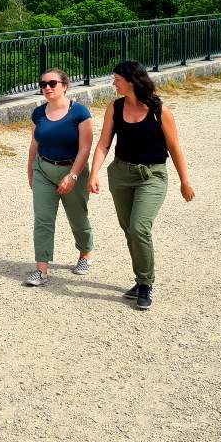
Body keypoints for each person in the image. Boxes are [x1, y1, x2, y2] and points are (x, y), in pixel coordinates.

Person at [88, 60, 195, 310]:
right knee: (129, 231)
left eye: (116, 78)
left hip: (152, 176)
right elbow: (104, 144)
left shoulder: (160, 111)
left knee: (139, 228)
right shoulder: (114, 107)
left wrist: (184, 181)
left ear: (131, 80)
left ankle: (146, 283)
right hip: (121, 175)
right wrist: (94, 174)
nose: (113, 82)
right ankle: (140, 280)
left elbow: (174, 147)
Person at [24, 68, 94, 287]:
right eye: (43, 84)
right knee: (43, 220)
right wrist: (30, 172)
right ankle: (41, 270)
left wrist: (72, 176)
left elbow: (85, 148)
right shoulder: (38, 113)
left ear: (65, 86)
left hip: (73, 170)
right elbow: (34, 144)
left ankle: (85, 254)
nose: (47, 88)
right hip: (43, 169)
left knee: (77, 217)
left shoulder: (80, 113)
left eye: (52, 83)